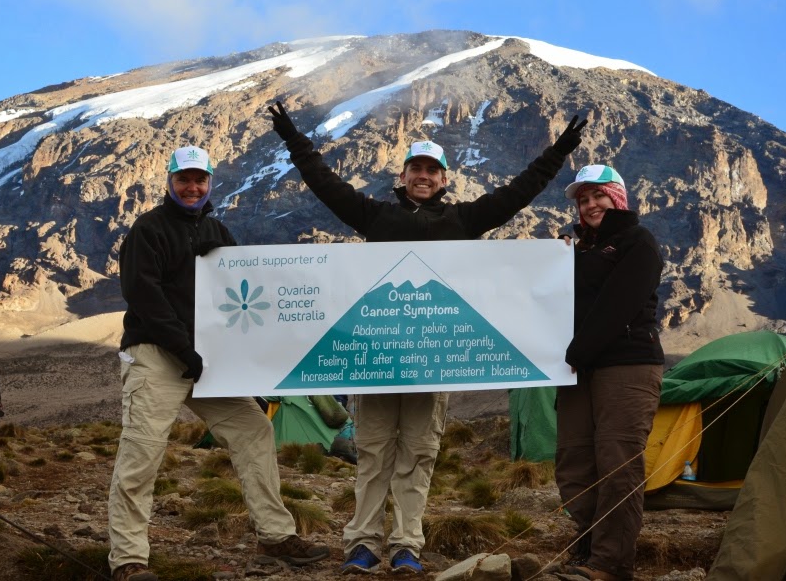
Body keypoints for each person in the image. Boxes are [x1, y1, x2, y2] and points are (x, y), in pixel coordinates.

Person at [268, 101, 587, 575]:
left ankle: (406, 545)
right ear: (403, 176)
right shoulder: (375, 217)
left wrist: (558, 151)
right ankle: (363, 543)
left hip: (432, 361)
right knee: (373, 454)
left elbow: (518, 192)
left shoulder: (462, 221)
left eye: (432, 170)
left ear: (443, 180)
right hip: (376, 360)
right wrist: (294, 140)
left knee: (418, 455)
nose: (423, 176)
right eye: (416, 168)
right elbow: (325, 184)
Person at [108, 145, 329, 581]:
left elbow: (241, 300)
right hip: (156, 355)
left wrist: (251, 362)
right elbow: (143, 294)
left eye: (200, 179)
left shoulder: (218, 232)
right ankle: (129, 560)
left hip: (206, 362)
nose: (192, 187)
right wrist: (183, 348)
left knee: (253, 428)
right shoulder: (148, 229)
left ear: (210, 182)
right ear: (169, 181)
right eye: (183, 179)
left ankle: (275, 534)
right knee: (142, 454)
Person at [554, 165, 665, 581]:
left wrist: (576, 351)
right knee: (573, 460)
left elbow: (618, 305)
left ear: (617, 197)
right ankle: (588, 546)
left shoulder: (639, 242)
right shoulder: (577, 249)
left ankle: (610, 563)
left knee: (617, 461)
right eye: (583, 199)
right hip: (577, 369)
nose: (590, 205)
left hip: (628, 364)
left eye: (597, 195)